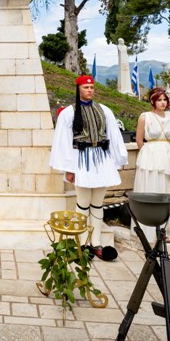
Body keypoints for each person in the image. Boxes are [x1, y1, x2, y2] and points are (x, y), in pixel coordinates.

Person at [49, 75, 128, 260]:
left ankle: (96, 243)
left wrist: (116, 159)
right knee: (83, 202)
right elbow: (63, 141)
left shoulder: (104, 110)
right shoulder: (68, 113)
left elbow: (113, 135)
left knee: (98, 203)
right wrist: (68, 168)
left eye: (91, 87)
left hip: (100, 159)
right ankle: (82, 243)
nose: (90, 90)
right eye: (86, 87)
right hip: (81, 160)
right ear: (79, 89)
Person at [134, 87, 170, 242]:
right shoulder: (145, 117)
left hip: (167, 154)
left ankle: (168, 228)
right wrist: (147, 156)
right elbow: (139, 139)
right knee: (153, 187)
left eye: (165, 100)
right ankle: (150, 229)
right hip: (151, 154)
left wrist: (167, 153)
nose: (163, 103)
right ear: (152, 101)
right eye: (159, 100)